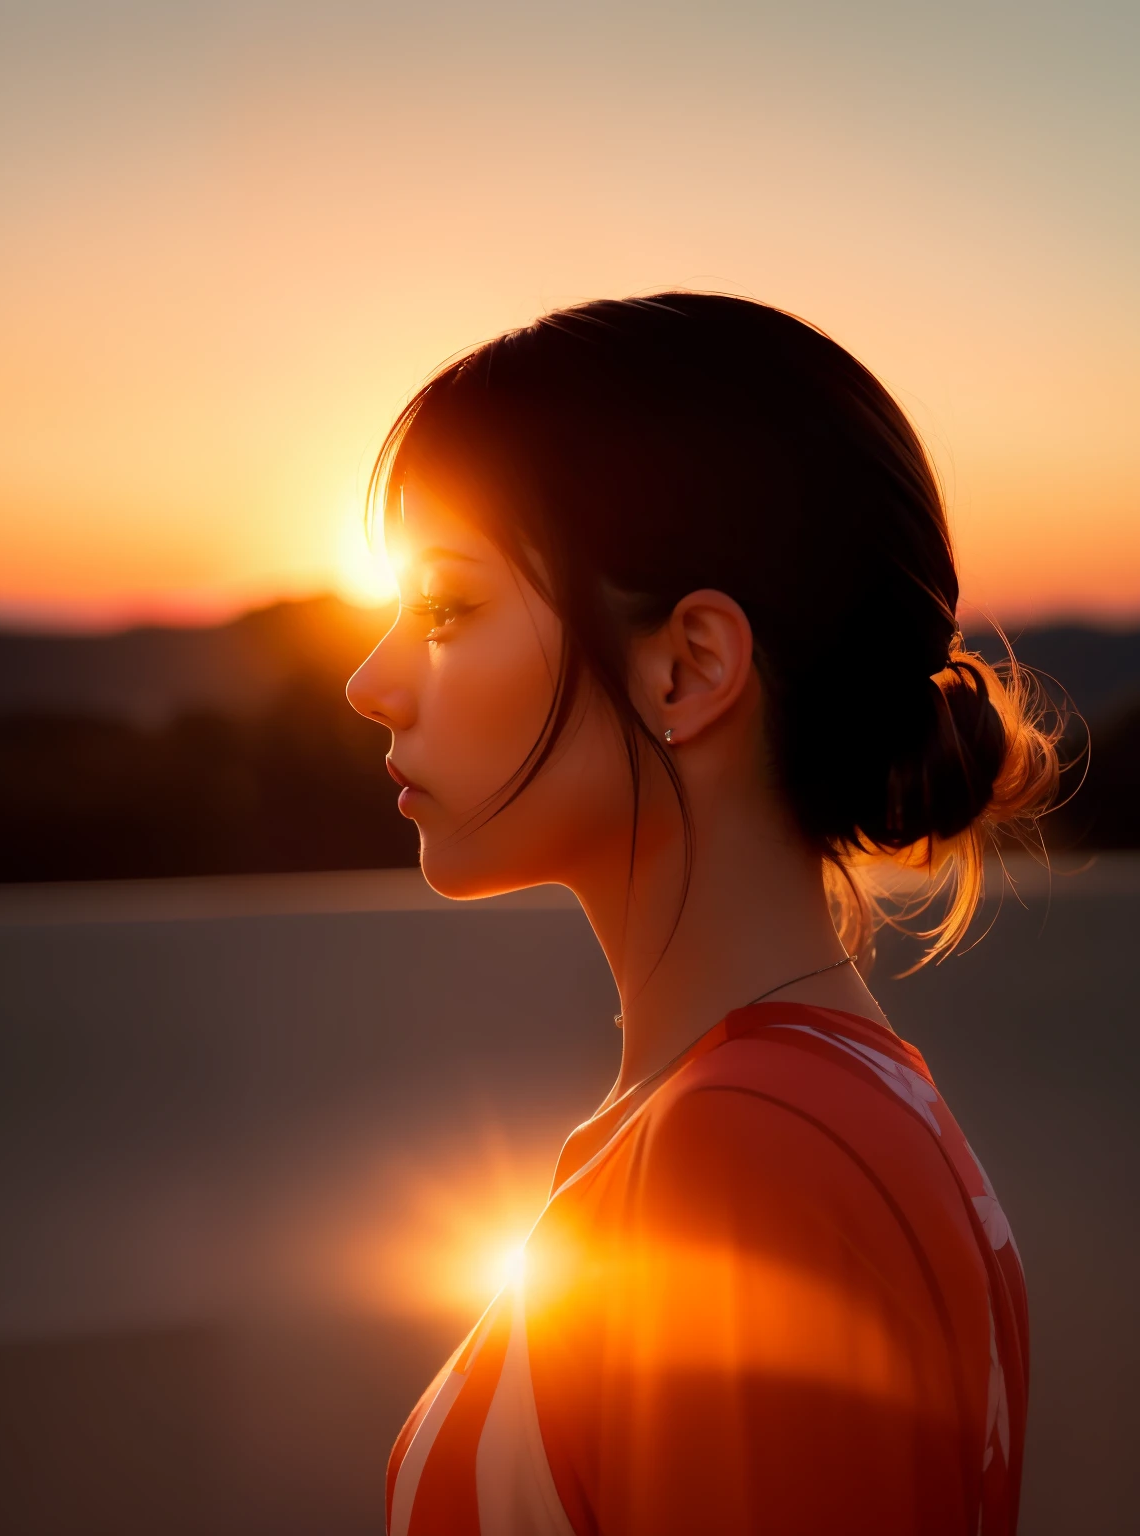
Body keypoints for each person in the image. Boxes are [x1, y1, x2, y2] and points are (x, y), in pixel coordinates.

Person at [345, 294, 1059, 1535]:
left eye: (448, 609)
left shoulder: (747, 1155)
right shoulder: (796, 1113)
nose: (372, 681)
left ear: (690, 667)